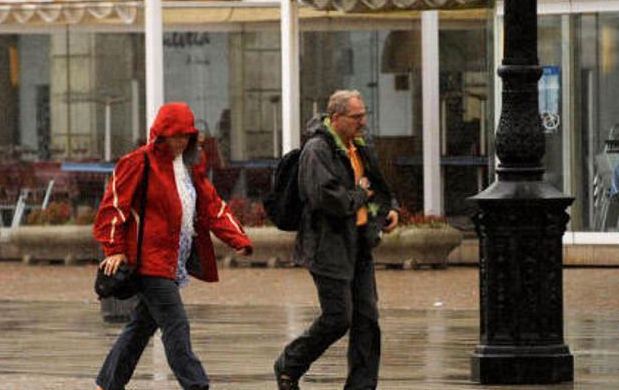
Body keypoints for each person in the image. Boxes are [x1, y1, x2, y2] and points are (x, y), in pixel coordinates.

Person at [93, 102, 253, 390]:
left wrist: (237, 238)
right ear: (161, 134)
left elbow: (212, 206)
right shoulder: (138, 162)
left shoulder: (190, 168)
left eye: (186, 136)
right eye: (175, 135)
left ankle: (107, 384)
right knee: (176, 325)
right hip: (148, 262)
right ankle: (197, 385)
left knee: (140, 328)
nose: (181, 142)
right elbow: (113, 207)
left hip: (172, 262)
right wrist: (113, 248)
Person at [274, 90, 399, 390]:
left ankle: (362, 386)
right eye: (356, 117)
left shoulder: (360, 145)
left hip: (359, 243)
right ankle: (290, 363)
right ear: (335, 118)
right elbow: (325, 198)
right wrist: (360, 195)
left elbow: (377, 184)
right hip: (327, 245)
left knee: (367, 319)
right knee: (338, 317)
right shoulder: (317, 149)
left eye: (364, 114)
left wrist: (390, 208)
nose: (363, 121)